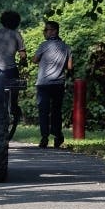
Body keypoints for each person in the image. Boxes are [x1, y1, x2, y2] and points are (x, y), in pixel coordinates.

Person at [32, 20, 72, 148]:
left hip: (43, 83)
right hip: (58, 84)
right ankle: (57, 136)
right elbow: (70, 67)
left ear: (54, 31)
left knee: (43, 111)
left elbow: (34, 60)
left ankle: (44, 137)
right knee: (56, 111)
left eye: (46, 30)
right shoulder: (66, 47)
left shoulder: (44, 45)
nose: (44, 32)